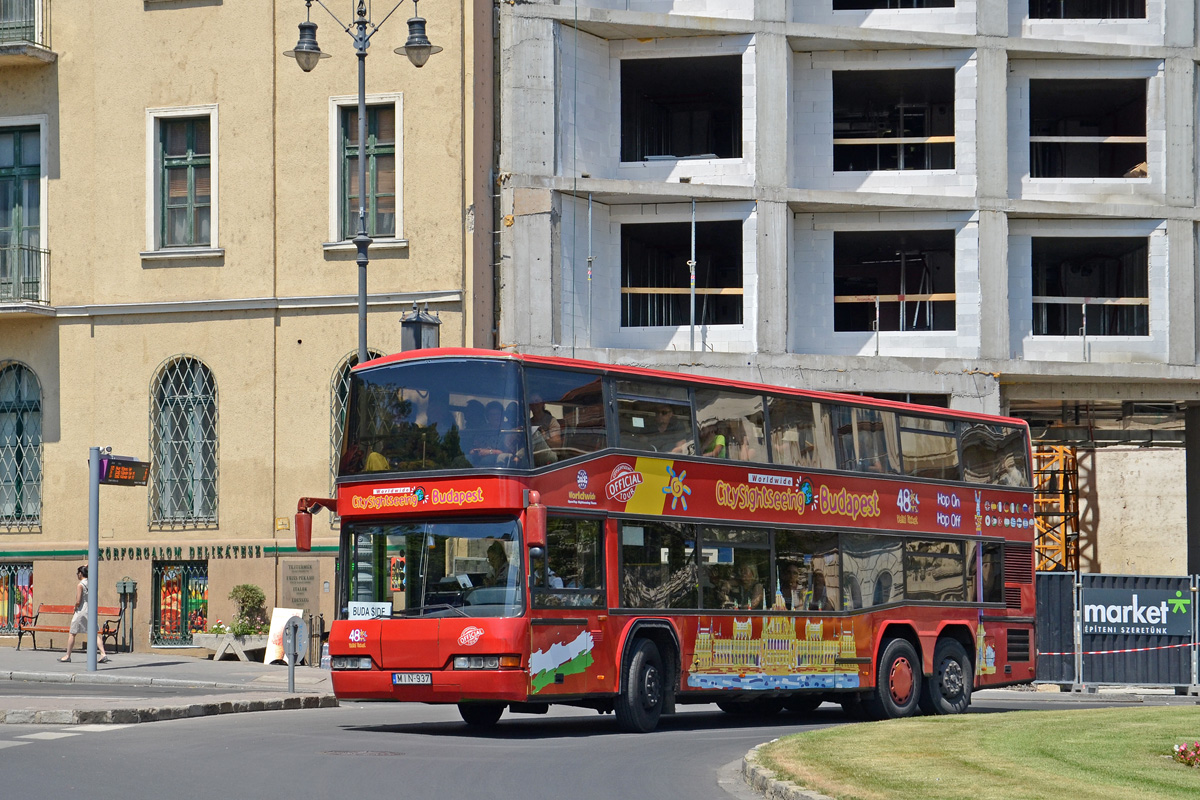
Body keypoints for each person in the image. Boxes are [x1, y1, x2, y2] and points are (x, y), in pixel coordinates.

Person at [60, 565, 108, 663]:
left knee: (72, 633)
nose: (77, 575)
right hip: (91, 609)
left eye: (77, 573)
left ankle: (67, 655)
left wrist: (75, 607)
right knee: (94, 633)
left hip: (82, 610)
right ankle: (103, 653)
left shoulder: (80, 585)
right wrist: (86, 566)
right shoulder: (92, 582)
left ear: (81, 574)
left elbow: (78, 600)